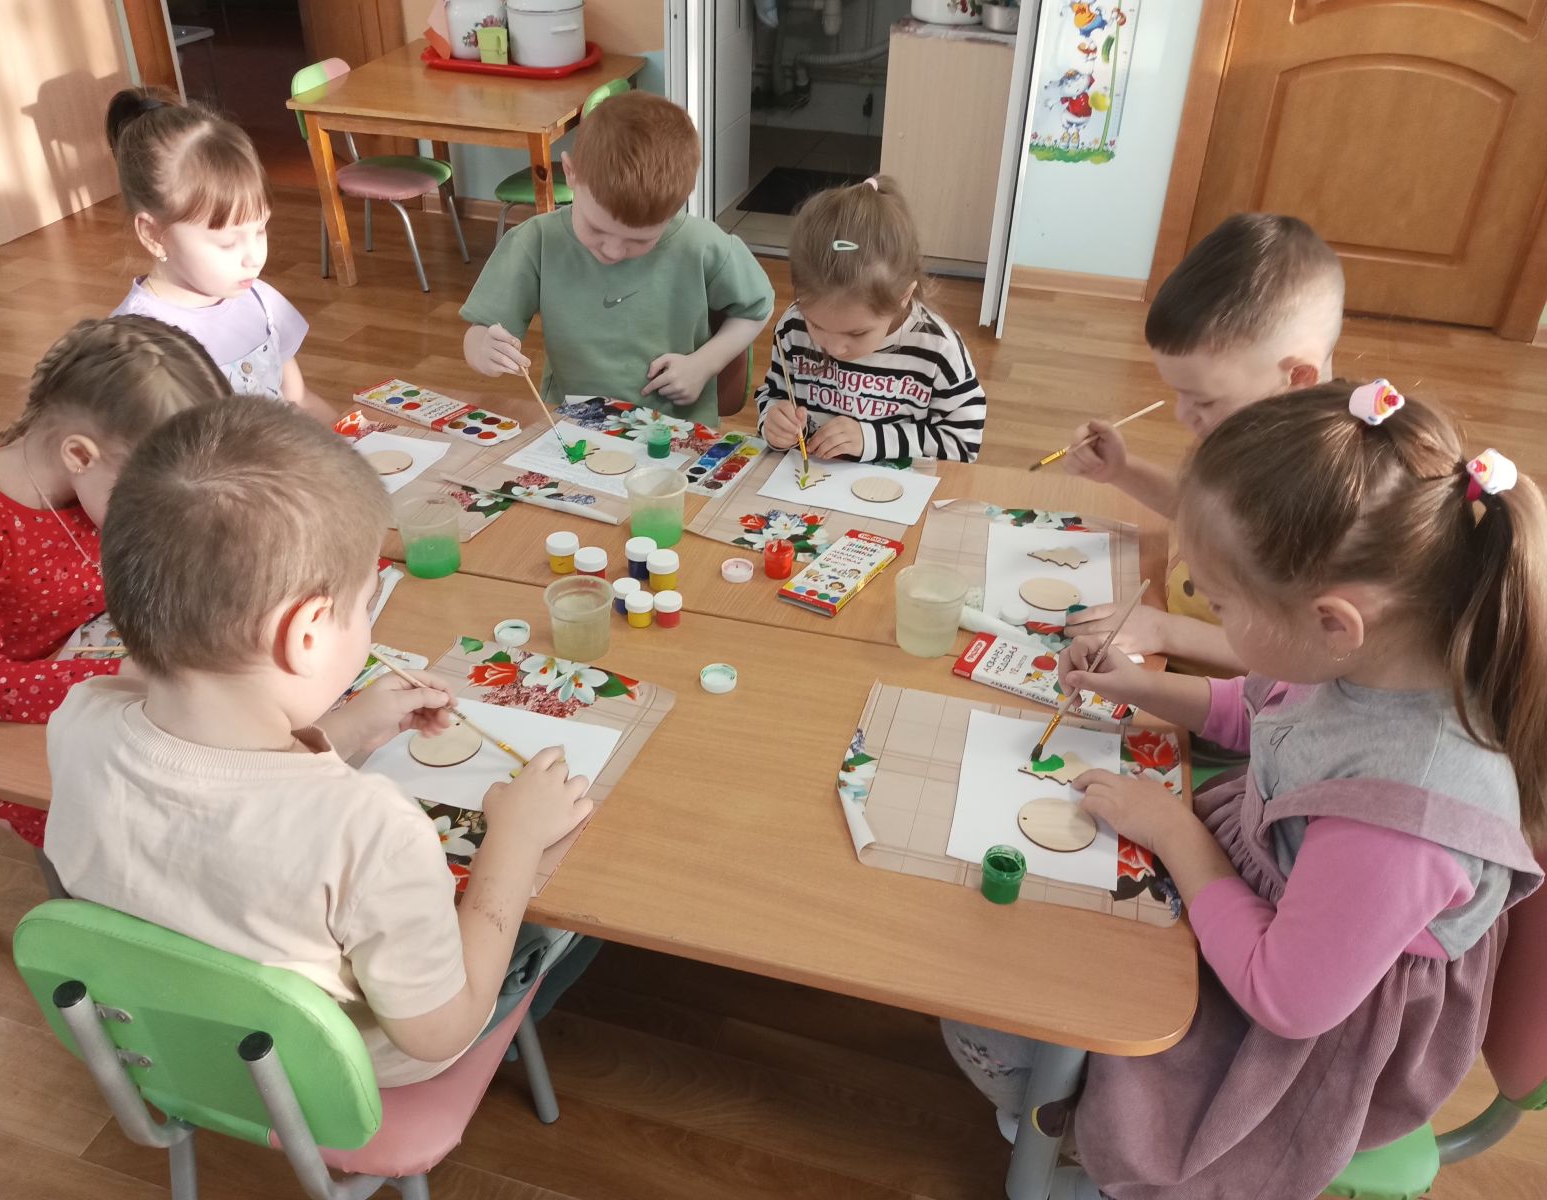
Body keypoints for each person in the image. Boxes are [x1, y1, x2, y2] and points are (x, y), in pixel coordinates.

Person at [948, 380, 1545, 1200]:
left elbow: (1284, 998)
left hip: (1291, 1041)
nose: (1211, 620)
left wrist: (1175, 833)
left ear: (1333, 622)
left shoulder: (1403, 818)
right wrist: (1139, 686)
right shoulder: (1380, 659)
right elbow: (1261, 711)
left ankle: (1077, 1144)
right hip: (1261, 909)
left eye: (1221, 604)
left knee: (993, 1015)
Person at [45, 398, 595, 1085]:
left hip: (167, 1033)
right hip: (339, 1067)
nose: (368, 620)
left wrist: (344, 731)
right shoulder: (372, 830)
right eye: (365, 604)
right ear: (306, 635)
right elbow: (438, 1032)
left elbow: (218, 804)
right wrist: (514, 839)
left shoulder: (80, 719)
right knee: (568, 916)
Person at [0, 316, 227, 846]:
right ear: (79, 455)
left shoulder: (92, 488)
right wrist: (126, 673)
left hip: (90, 665)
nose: (156, 517)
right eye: (146, 498)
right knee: (128, 822)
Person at [1063, 213, 1343, 671]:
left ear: (1298, 377)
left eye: (1204, 400)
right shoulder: (1259, 425)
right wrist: (1121, 471)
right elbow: (1206, 513)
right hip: (1165, 637)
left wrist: (1164, 630)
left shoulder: (1321, 488)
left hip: (1226, 697)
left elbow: (1306, 657)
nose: (1181, 414)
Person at [461, 90, 774, 426]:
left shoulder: (702, 244)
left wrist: (705, 364)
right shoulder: (535, 241)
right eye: (596, 228)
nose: (612, 251)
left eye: (640, 240)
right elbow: (479, 333)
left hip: (677, 432)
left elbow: (757, 308)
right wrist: (482, 349)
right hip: (574, 427)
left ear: (678, 205)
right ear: (571, 173)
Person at [105, 88, 336, 425]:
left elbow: (298, 399)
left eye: (260, 230)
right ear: (154, 234)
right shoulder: (133, 348)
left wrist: (352, 446)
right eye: (228, 243)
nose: (254, 257)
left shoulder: (261, 302)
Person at [755, 176, 985, 463]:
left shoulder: (937, 349)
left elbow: (963, 443)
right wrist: (772, 420)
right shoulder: (792, 326)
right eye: (816, 325)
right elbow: (773, 394)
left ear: (903, 297)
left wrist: (872, 439)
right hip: (805, 482)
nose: (834, 347)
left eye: (857, 333)